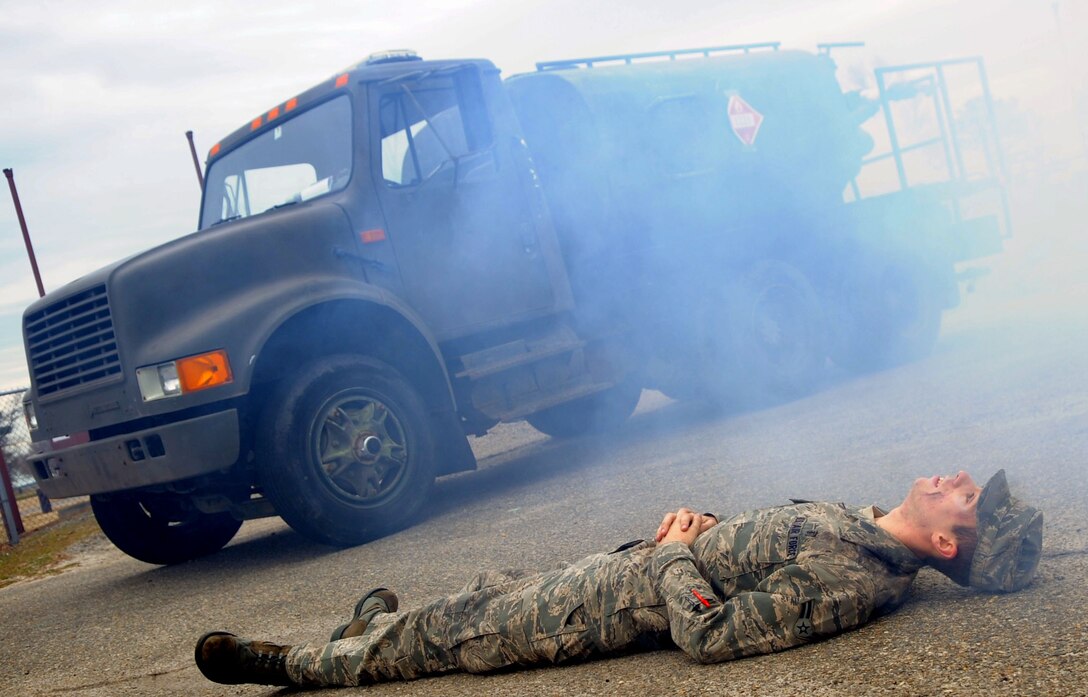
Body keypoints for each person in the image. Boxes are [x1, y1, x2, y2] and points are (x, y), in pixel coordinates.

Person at [195, 469, 1042, 687]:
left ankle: (288, 665)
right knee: (468, 598)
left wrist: (673, 546)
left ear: (942, 543)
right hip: (613, 572)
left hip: (597, 609)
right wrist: (706, 535)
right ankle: (358, 630)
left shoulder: (851, 579)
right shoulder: (865, 533)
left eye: (968, 501)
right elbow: (743, 565)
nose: (958, 479)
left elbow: (710, 634)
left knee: (434, 642)